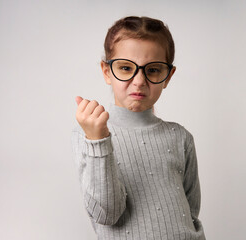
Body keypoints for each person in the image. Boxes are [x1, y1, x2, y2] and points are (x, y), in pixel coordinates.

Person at [71, 16, 206, 240]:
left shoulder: (180, 137)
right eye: (126, 68)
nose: (139, 81)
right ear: (107, 71)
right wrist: (98, 140)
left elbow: (190, 211)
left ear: (168, 76)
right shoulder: (88, 134)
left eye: (153, 70)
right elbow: (106, 214)